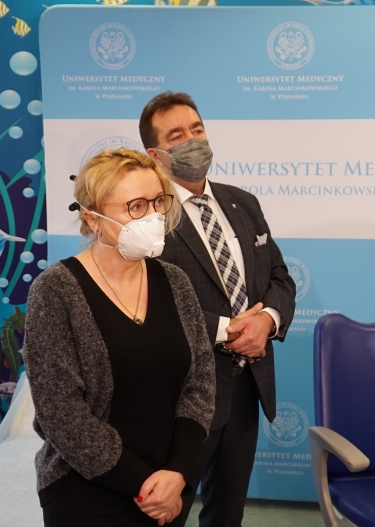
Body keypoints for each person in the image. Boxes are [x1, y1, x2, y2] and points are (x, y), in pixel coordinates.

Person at [23, 148, 215, 527]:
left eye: (158, 202)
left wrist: (178, 471)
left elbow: (201, 385)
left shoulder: (175, 282)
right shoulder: (55, 291)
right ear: (93, 218)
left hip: (169, 488)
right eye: (136, 206)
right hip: (87, 492)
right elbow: (61, 412)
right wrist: (143, 484)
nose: (154, 216)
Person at [139, 91, 297, 527]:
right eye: (176, 135)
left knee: (227, 515)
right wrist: (230, 330)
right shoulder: (147, 217)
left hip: (247, 387)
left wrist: (266, 320)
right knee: (166, 515)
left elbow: (279, 276)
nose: (192, 141)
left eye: (197, 129)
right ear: (155, 154)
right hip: (182, 396)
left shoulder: (242, 202)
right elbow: (148, 301)